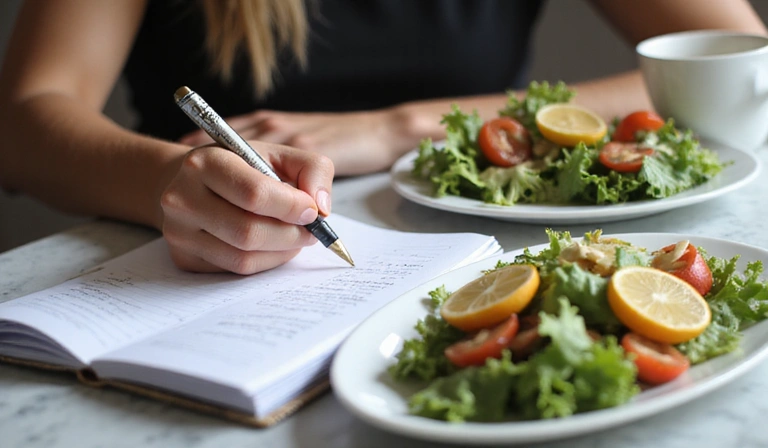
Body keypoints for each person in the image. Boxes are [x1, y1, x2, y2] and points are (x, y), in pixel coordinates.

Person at [0, 0, 765, 275]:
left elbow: (736, 57)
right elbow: (25, 116)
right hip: (192, 250)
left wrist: (401, 127)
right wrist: (166, 177)